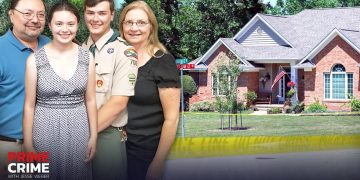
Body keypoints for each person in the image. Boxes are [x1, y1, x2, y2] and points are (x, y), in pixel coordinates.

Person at [22, 2, 97, 179]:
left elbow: (91, 100)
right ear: (49, 25)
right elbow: (29, 106)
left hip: (79, 130)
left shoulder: (88, 57)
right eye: (59, 24)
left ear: (78, 25)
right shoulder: (34, 60)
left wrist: (93, 136)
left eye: (70, 24)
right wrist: (27, 144)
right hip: (44, 130)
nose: (65, 29)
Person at [120, 1, 180, 180]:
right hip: (120, 149)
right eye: (129, 22)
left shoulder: (163, 62)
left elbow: (172, 118)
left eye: (140, 23)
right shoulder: (118, 58)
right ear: (122, 26)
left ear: (151, 27)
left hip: (147, 151)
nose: (134, 28)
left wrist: (158, 161)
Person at [82, 0, 138, 179]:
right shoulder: (78, 49)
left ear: (112, 15)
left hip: (106, 135)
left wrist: (82, 134)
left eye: (102, 13)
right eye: (90, 13)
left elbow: (118, 104)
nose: (95, 18)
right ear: (84, 14)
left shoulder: (124, 51)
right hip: (77, 134)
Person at [0, 0, 49, 177]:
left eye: (41, 14)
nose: (35, 19)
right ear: (11, 15)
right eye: (27, 13)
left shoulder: (53, 47)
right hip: (10, 148)